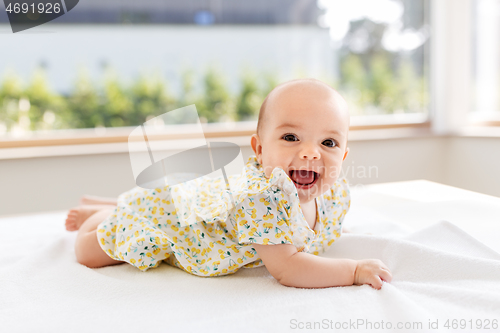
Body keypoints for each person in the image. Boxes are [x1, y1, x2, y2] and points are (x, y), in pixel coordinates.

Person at [65, 78, 392, 289]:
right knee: (88, 252)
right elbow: (289, 268)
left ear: (344, 155)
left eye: (329, 143)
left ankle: (113, 203)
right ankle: (102, 216)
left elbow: (318, 226)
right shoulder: (264, 201)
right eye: (291, 137)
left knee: (160, 200)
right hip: (185, 226)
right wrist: (352, 271)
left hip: (203, 199)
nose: (310, 153)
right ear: (260, 150)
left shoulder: (333, 191)